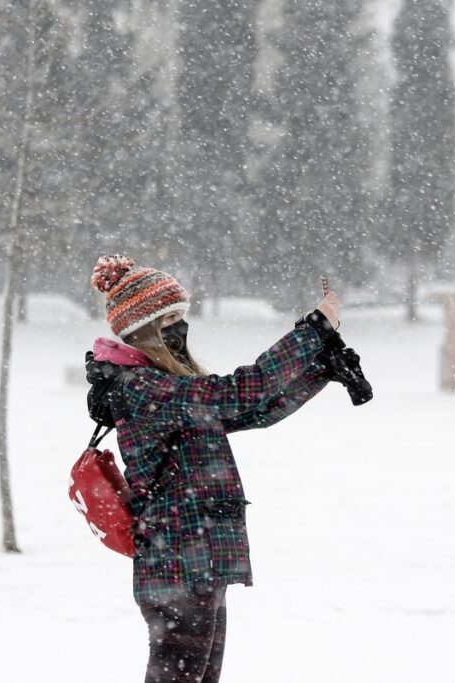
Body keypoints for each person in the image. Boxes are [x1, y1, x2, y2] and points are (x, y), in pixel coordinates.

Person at [85, 254, 343, 683]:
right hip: (177, 562)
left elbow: (252, 411)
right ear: (147, 327)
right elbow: (242, 390)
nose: (182, 327)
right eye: (172, 318)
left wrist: (320, 370)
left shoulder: (164, 388)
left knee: (199, 678)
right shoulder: (144, 388)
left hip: (197, 559)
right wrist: (311, 331)